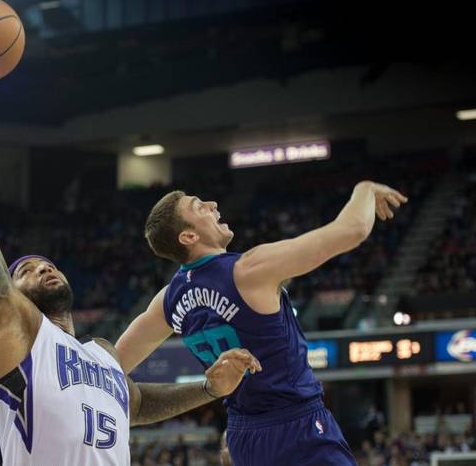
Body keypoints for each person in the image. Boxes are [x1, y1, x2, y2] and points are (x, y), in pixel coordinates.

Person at [0, 3, 261, 466]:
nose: (42, 266)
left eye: (44, 262)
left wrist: (207, 388)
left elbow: (138, 404)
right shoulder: (15, 325)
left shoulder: (103, 353)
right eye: (24, 270)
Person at [116, 184, 408, 465]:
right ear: (188, 237)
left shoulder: (168, 300)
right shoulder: (248, 269)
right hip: (298, 426)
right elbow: (352, 230)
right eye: (199, 206)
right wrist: (365, 189)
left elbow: (113, 363)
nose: (212, 204)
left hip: (243, 437)